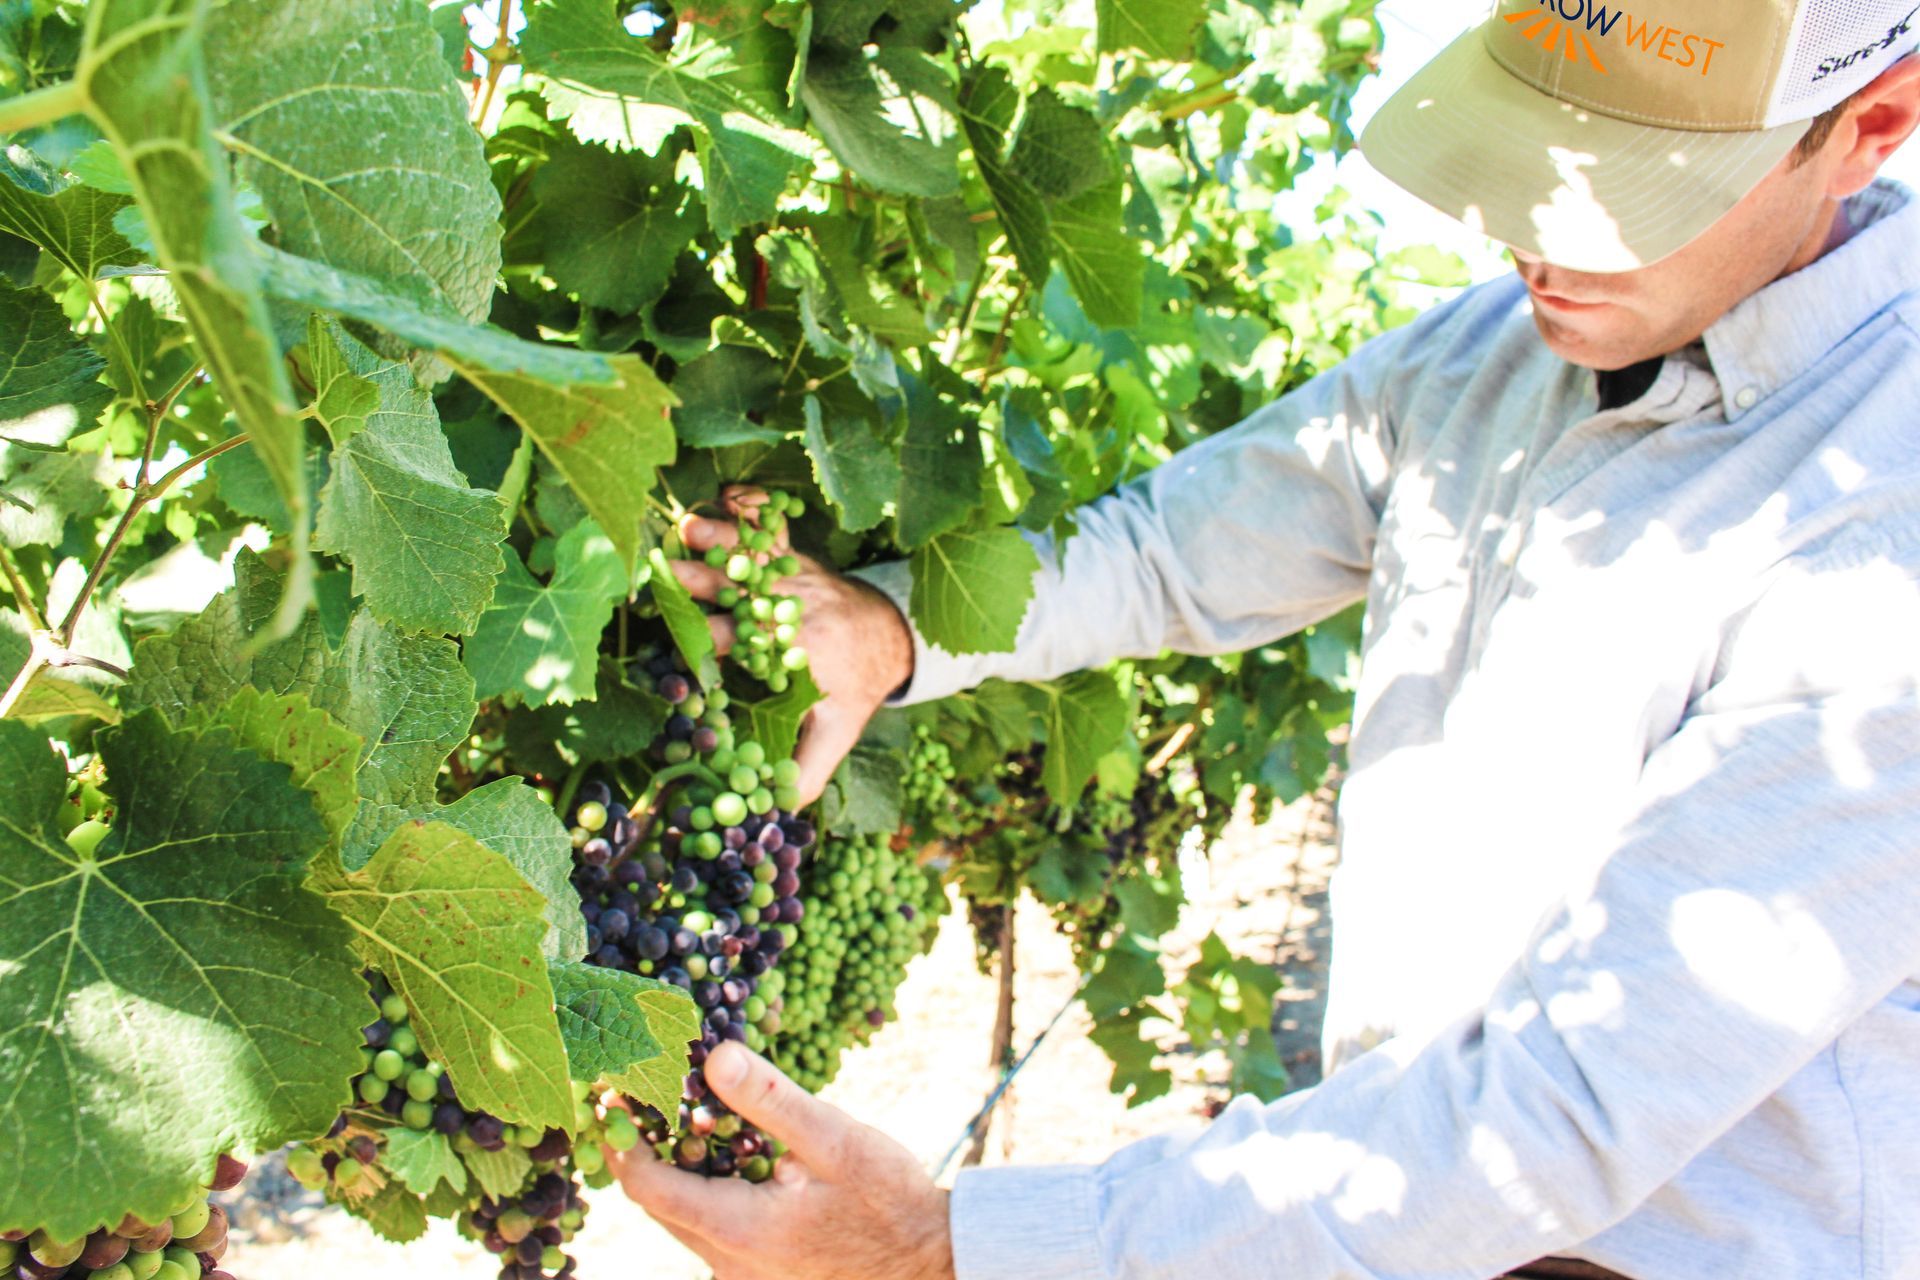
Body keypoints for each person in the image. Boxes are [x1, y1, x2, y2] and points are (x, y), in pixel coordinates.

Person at [609, 1, 1920, 1276]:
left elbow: (1558, 1108)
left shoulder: (1880, 527)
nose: (1542, 241)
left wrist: (950, 1252)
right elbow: (1184, 545)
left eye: (1631, 193)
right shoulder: (1488, 359)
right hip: (1390, 1218)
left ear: (1872, 125)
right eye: (1528, 159)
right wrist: (893, 630)